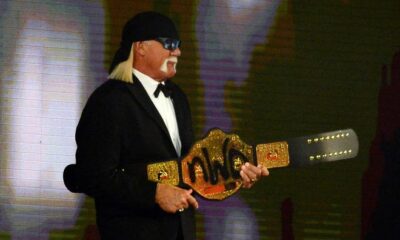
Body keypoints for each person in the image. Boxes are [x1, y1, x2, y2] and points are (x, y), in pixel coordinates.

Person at [66, 11, 269, 240]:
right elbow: (91, 175)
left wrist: (233, 174)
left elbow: (190, 170)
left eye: (178, 45)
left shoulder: (179, 98)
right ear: (140, 47)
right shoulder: (109, 100)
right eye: (169, 44)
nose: (178, 52)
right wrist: (154, 193)